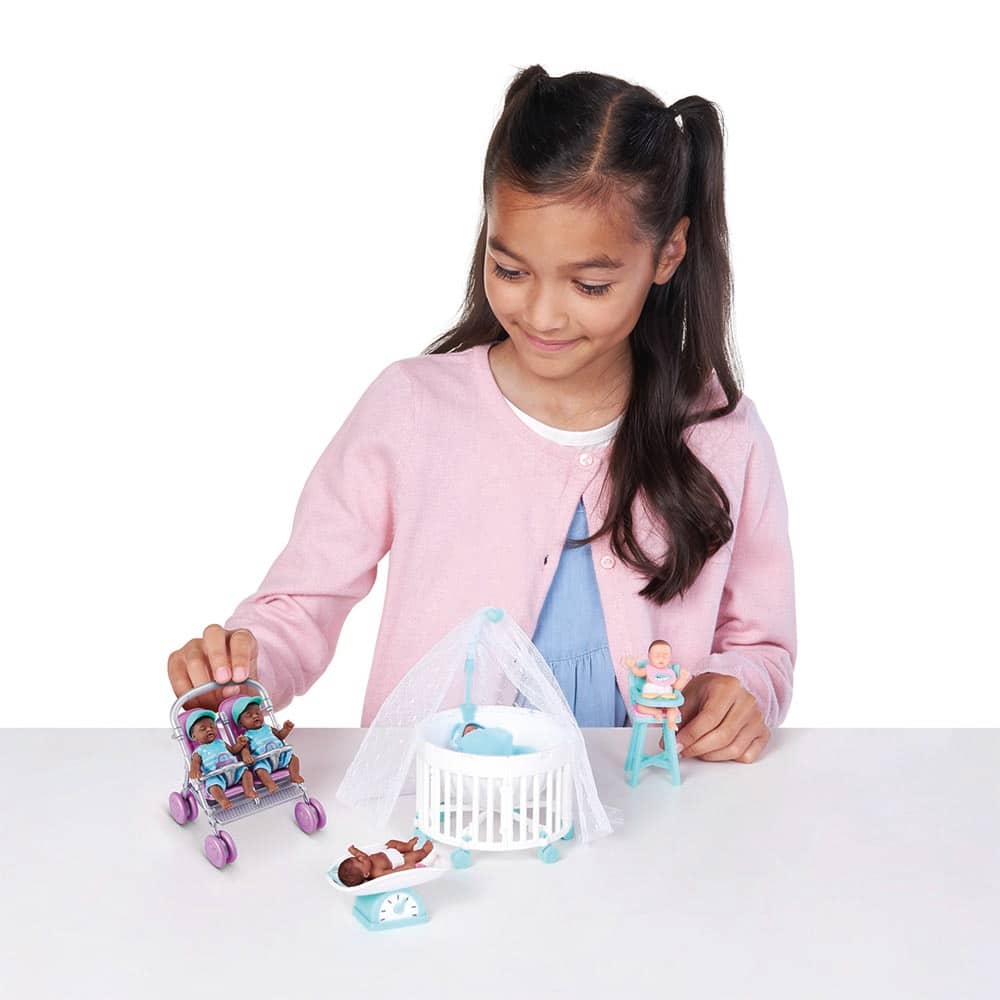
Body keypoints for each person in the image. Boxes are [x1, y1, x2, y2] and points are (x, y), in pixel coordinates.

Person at [166, 65, 795, 765]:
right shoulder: (411, 409)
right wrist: (242, 666)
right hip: (441, 798)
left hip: (642, 802)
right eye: (511, 270)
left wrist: (739, 690)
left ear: (668, 253)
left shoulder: (721, 432)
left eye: (590, 284)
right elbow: (300, 605)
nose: (543, 315)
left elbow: (761, 647)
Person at [337, 838, 435, 887]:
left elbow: (359, 854)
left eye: (356, 858)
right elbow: (393, 872)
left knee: (391, 843)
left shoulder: (364, 860)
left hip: (389, 851)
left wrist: (353, 850)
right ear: (366, 874)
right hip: (400, 859)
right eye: (359, 861)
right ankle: (424, 851)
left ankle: (407, 846)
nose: (360, 857)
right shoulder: (378, 873)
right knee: (413, 857)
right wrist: (405, 867)